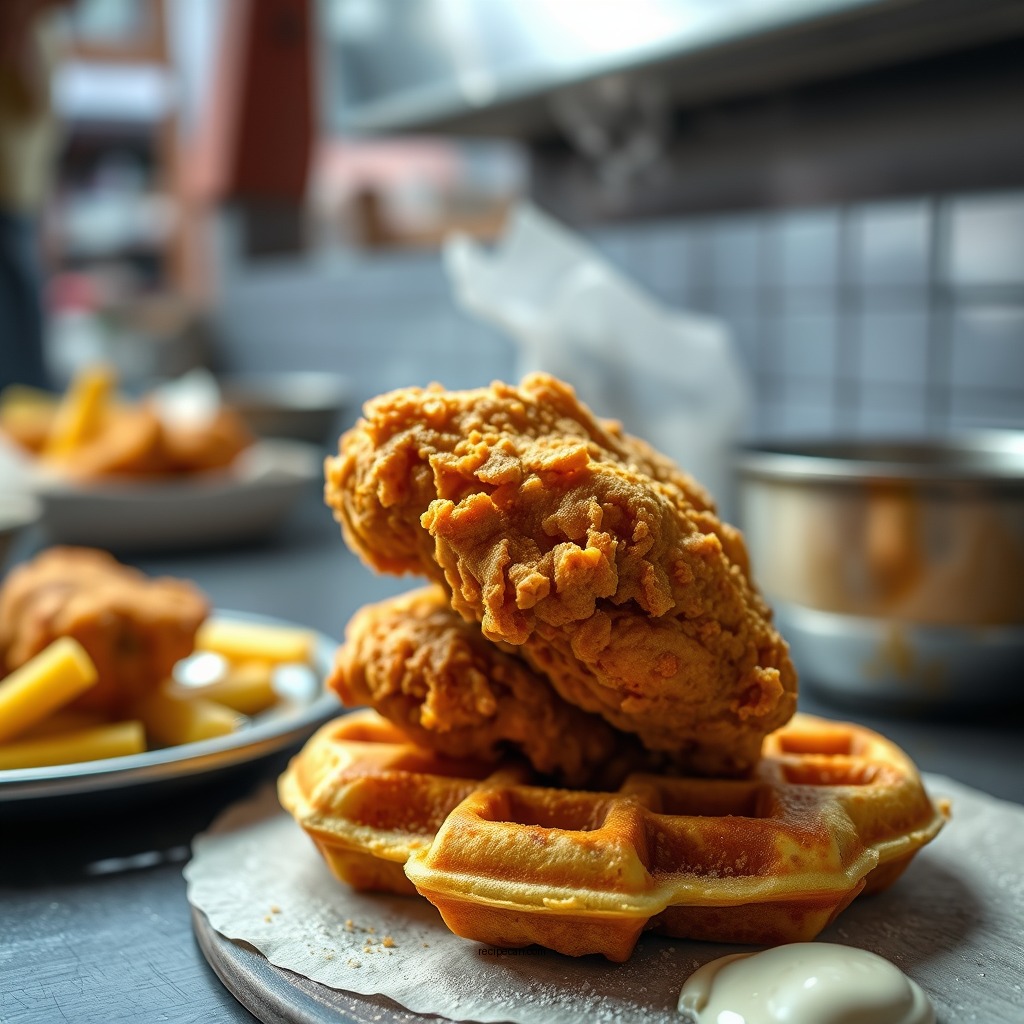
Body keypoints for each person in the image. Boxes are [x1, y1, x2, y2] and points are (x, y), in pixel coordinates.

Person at [0, 0, 67, 392]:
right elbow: (31, 99)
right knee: (18, 369)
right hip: (6, 199)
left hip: (21, 197)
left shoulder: (42, 26)